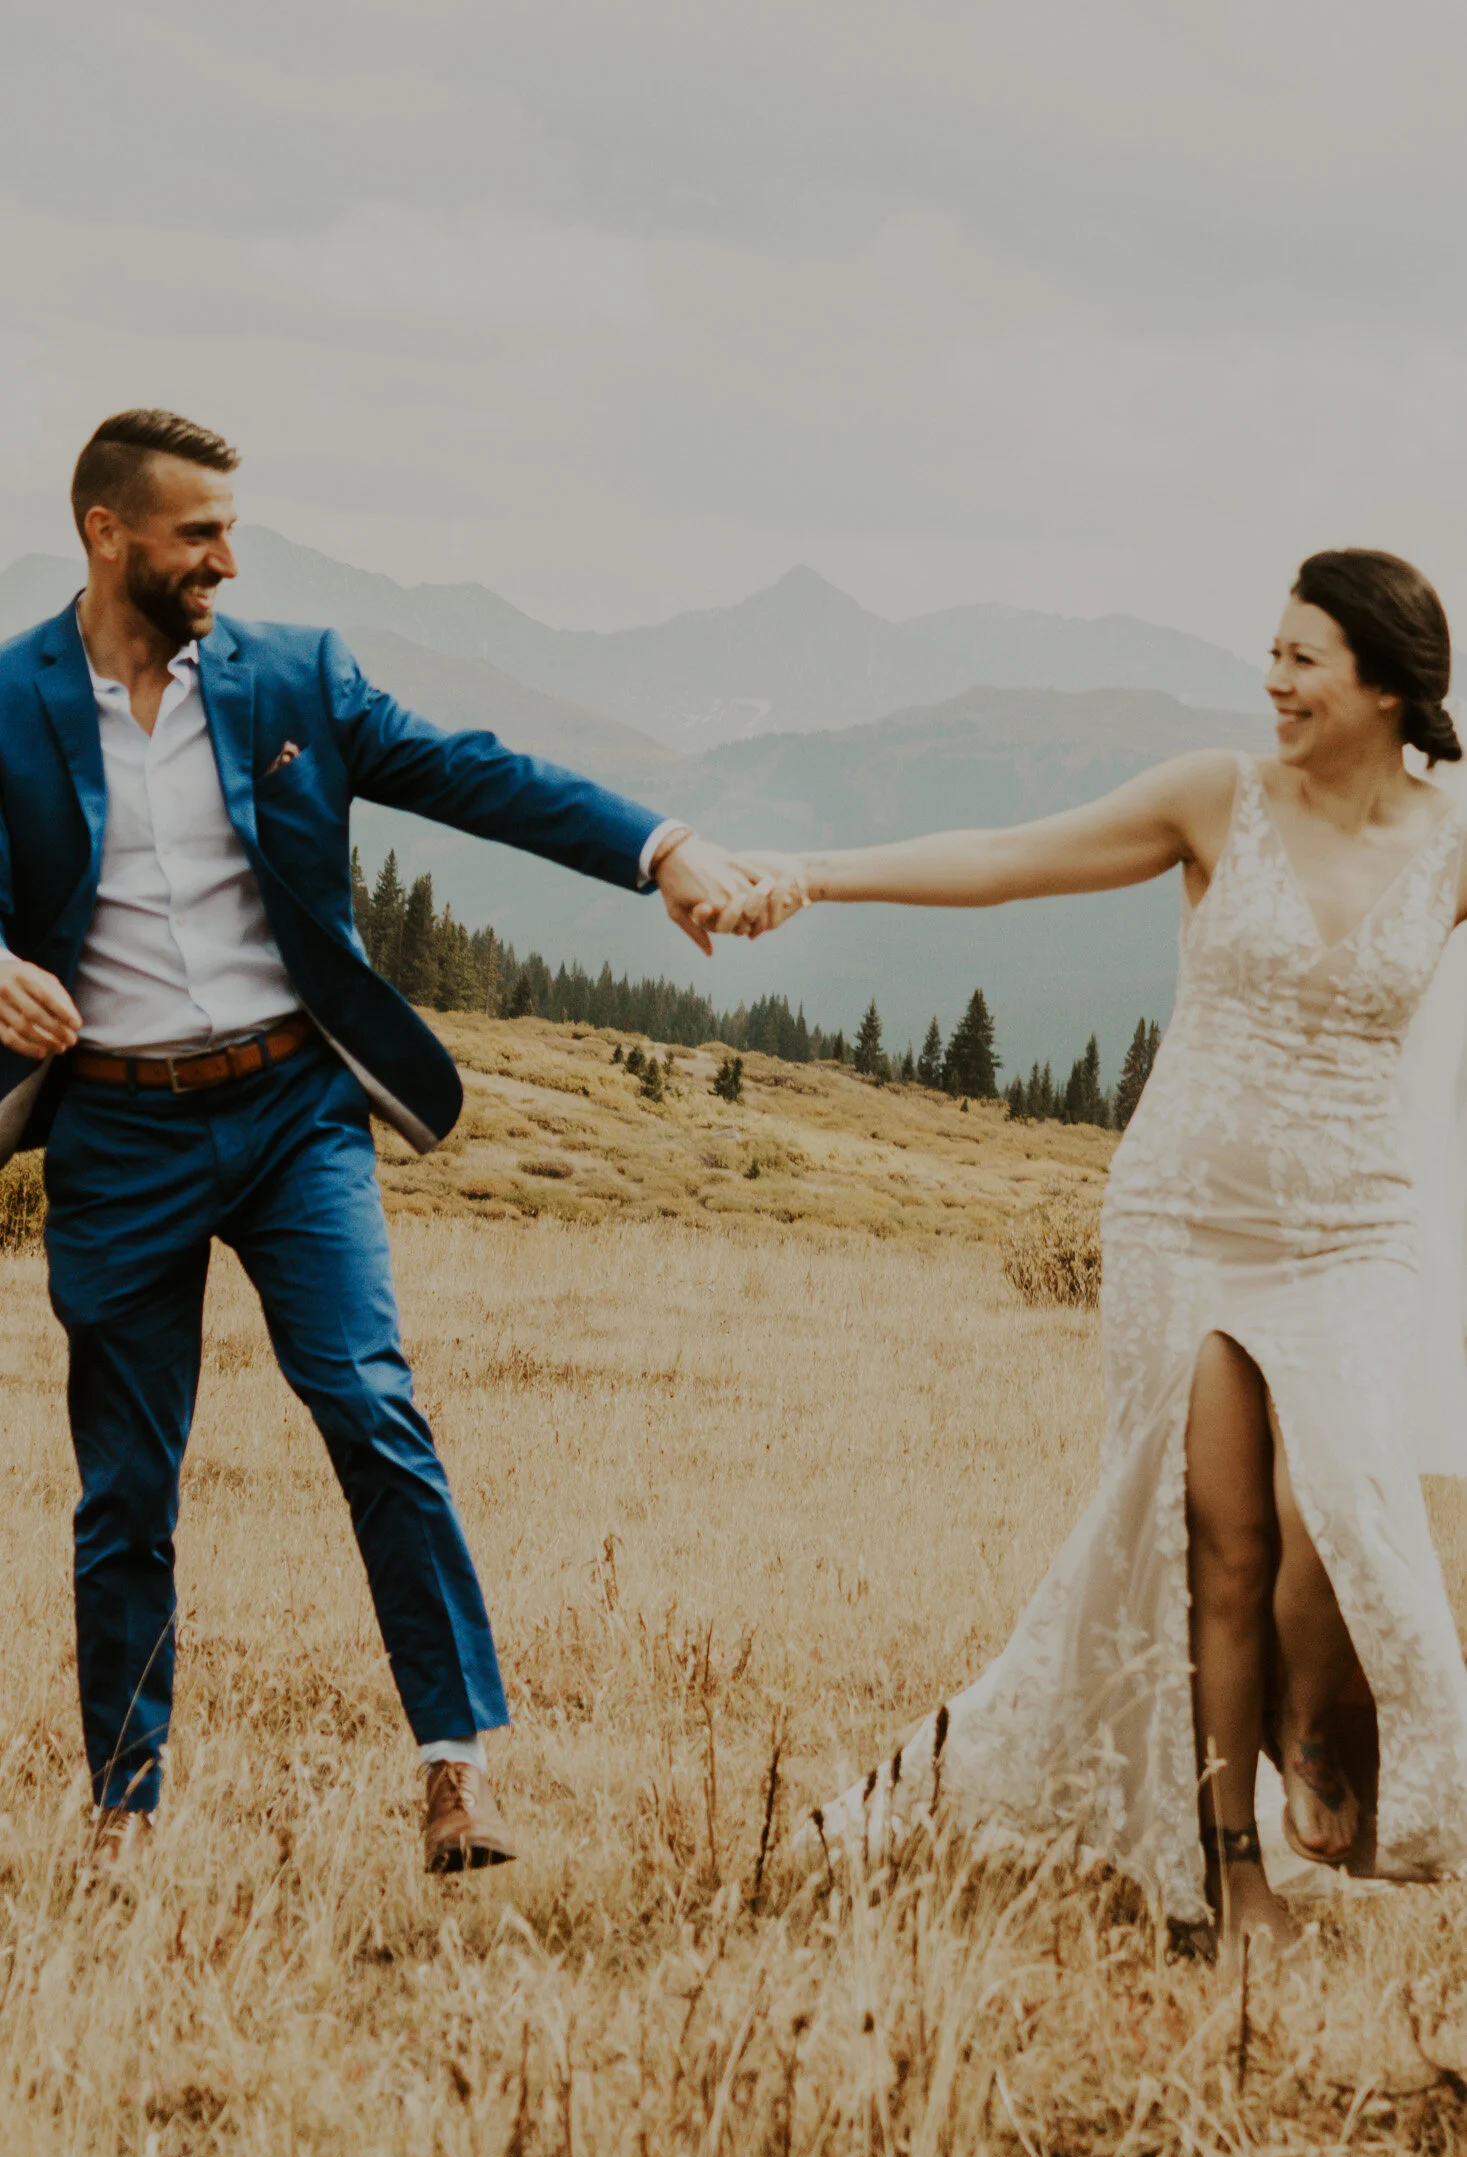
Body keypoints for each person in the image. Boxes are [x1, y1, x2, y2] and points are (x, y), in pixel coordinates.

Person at [0, 409, 759, 1874]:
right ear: (109, 534)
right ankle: (121, 1807)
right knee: (125, 1484)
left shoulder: (298, 676)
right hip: (118, 1134)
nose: (229, 555)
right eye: (199, 533)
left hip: (294, 1114)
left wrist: (660, 849)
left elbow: (479, 775)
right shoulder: (9, 700)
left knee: (369, 1406)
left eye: (232, 528)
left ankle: (454, 1768)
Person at [712, 549, 1467, 1961]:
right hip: (1181, 1216)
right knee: (1218, 1551)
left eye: (1301, 658)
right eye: (1273, 652)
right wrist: (807, 875)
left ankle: (1327, 1719)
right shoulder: (1215, 798)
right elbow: (1006, 862)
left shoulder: (1455, 838)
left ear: (1381, 679)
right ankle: (1219, 1878)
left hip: (1354, 1231)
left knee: (1341, 1515)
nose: (1272, 680)